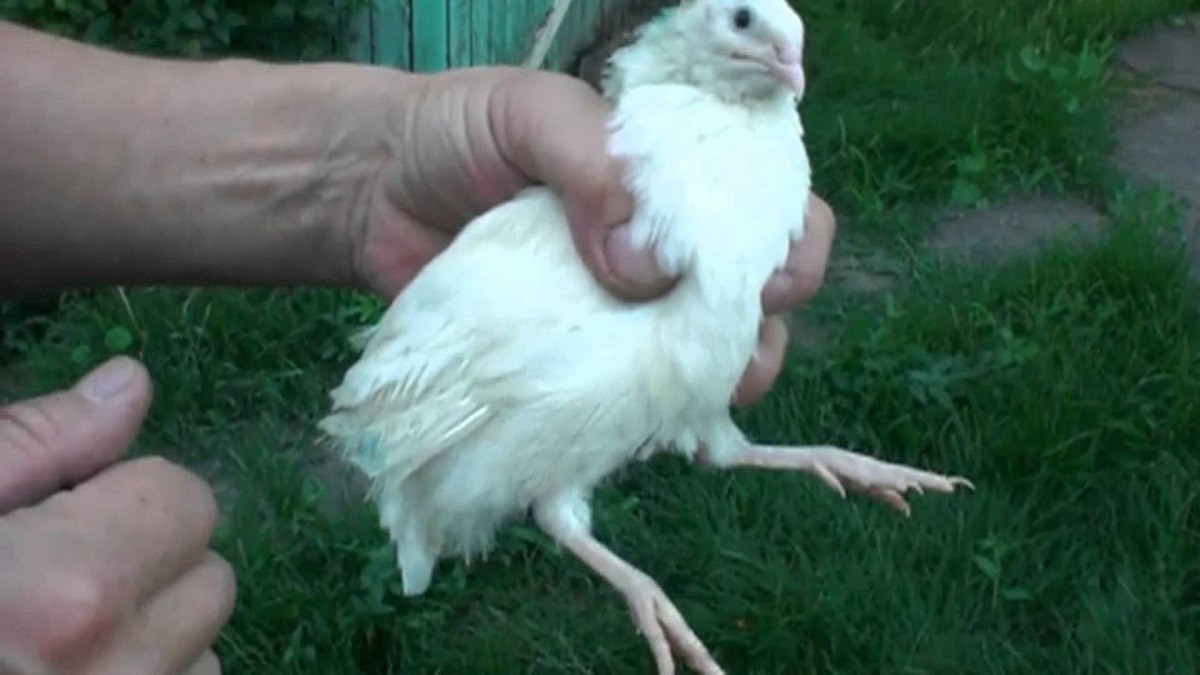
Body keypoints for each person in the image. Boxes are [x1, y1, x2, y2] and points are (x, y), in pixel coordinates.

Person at [0, 19, 837, 675]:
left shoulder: (714, 166)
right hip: (470, 393)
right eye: (748, 29)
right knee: (564, 497)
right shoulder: (627, 190)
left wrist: (374, 170)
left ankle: (736, 457)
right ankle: (636, 574)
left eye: (789, 49)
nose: (779, 60)